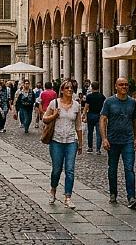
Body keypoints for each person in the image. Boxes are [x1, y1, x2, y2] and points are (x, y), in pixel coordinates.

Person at [100, 76, 136, 209]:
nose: (124, 87)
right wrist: (104, 138)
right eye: (121, 85)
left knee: (129, 168)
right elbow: (103, 119)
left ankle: (131, 197)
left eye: (126, 85)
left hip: (128, 140)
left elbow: (135, 120)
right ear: (116, 86)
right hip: (113, 140)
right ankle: (113, 193)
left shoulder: (132, 103)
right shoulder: (109, 102)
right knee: (112, 168)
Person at [43, 79, 83, 208]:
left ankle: (68, 197)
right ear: (62, 90)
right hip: (56, 141)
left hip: (71, 140)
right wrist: (54, 115)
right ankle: (53, 189)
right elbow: (44, 119)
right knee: (56, 169)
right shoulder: (54, 103)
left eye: (71, 88)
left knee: (70, 170)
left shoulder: (77, 105)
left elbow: (78, 125)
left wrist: (80, 143)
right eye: (67, 88)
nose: (70, 90)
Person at [83, 82, 105, 154]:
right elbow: (104, 107)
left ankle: (90, 147)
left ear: (92, 87)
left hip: (91, 115)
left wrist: (84, 115)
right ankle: (98, 149)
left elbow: (86, 106)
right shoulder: (102, 96)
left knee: (90, 132)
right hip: (99, 115)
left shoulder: (89, 96)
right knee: (99, 133)